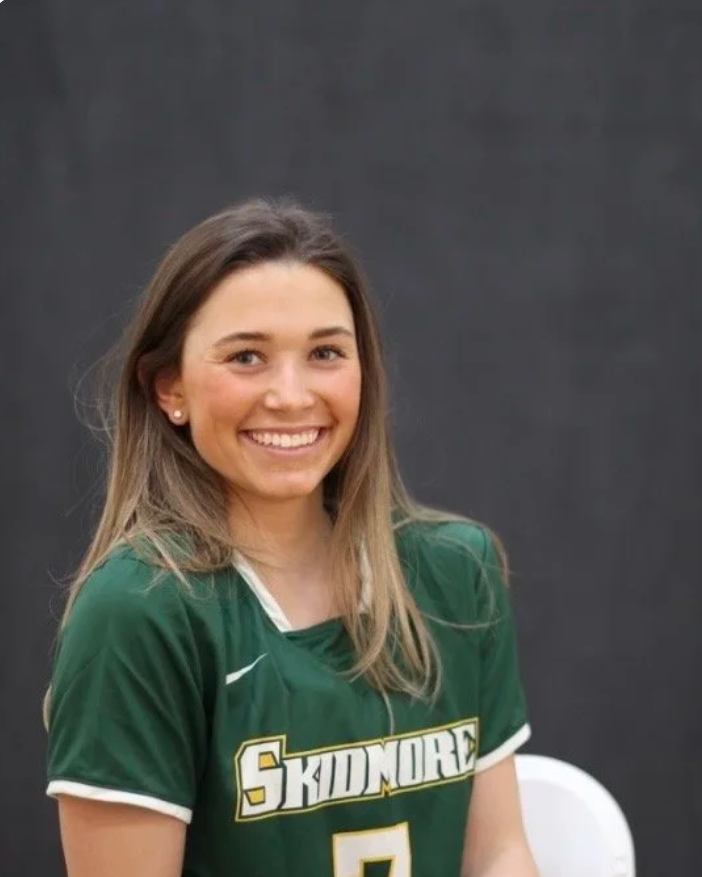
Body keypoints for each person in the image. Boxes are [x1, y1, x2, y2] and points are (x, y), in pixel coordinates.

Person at [46, 198, 538, 877]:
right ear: (169, 388)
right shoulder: (138, 611)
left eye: (326, 353)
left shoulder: (458, 570)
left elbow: (499, 854)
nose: (291, 394)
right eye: (247, 356)